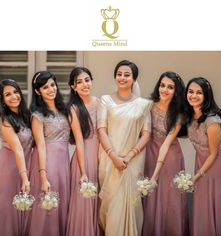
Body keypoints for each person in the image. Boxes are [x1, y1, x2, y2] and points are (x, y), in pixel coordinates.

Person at [97, 60, 151, 236]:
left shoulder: (143, 104)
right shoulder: (105, 100)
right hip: (110, 161)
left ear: (134, 78)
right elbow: (101, 130)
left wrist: (129, 156)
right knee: (111, 205)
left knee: (131, 205)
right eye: (119, 74)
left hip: (132, 162)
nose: (122, 77)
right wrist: (114, 157)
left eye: (127, 75)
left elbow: (146, 134)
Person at [143, 71, 188, 236]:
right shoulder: (148, 104)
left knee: (170, 198)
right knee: (150, 197)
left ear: (176, 91)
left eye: (170, 87)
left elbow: (167, 142)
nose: (165, 90)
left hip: (170, 156)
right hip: (150, 152)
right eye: (162, 85)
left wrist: (155, 175)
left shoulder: (179, 114)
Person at [27, 71, 71, 236]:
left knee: (61, 202)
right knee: (47, 205)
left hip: (64, 163)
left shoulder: (64, 109)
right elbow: (40, 146)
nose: (51, 89)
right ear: (38, 91)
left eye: (52, 85)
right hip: (47, 162)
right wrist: (43, 176)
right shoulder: (37, 116)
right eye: (46, 87)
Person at [185, 77, 221, 236]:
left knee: (217, 201)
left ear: (206, 95)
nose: (193, 95)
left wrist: (197, 176)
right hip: (202, 160)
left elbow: (214, 152)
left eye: (199, 92)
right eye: (190, 91)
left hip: (218, 163)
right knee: (203, 201)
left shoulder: (212, 119)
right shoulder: (190, 115)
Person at [0, 79, 33, 236]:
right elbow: (18, 149)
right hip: (8, 171)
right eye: (8, 94)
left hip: (24, 167)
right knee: (6, 216)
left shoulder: (27, 116)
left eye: (16, 92)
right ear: (2, 100)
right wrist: (24, 178)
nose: (14, 96)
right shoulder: (5, 120)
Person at [66, 67, 101, 236]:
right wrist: (83, 171)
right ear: (73, 87)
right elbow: (79, 141)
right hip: (84, 157)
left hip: (101, 155)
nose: (84, 84)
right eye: (79, 82)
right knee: (85, 202)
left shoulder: (100, 102)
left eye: (87, 80)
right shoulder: (73, 108)